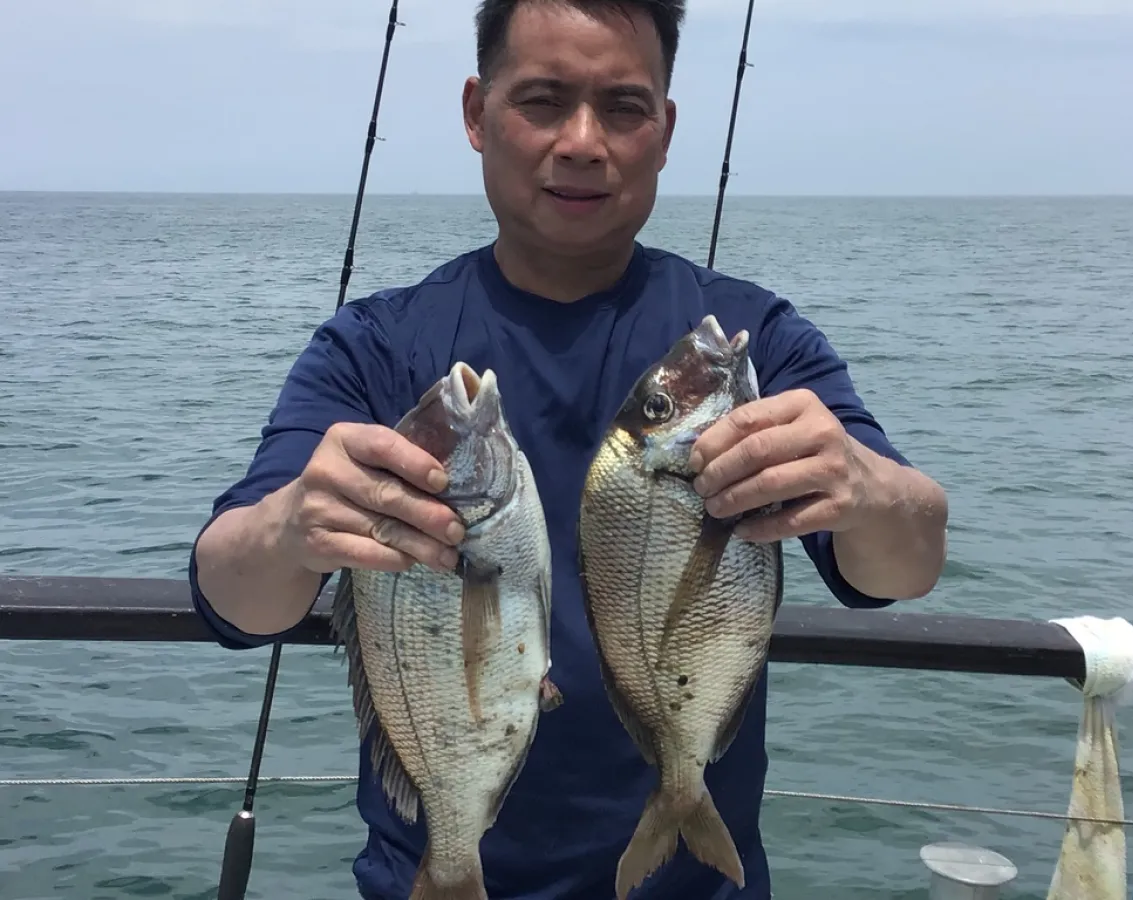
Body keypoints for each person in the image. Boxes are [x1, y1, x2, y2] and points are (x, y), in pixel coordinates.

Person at [189, 0, 950, 897]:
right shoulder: (375, 349)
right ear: (477, 114)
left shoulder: (749, 346)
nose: (584, 141)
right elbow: (234, 603)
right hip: (429, 870)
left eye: (624, 108)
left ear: (665, 131)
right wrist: (285, 530)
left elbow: (903, 569)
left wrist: (869, 490)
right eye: (543, 101)